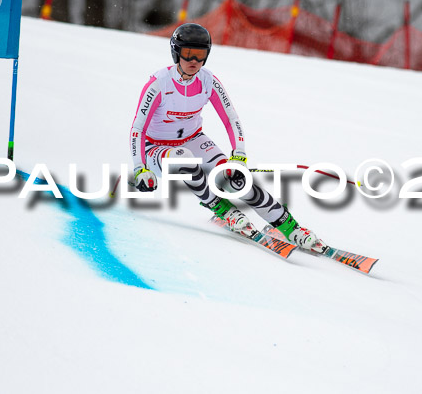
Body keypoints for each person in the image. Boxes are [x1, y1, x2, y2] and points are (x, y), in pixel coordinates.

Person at [129, 23, 324, 252]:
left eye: (201, 55)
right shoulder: (159, 83)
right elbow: (137, 129)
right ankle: (224, 210)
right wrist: (140, 168)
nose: (194, 61)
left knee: (235, 179)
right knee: (184, 158)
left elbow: (231, 118)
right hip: (156, 148)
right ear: (176, 52)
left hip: (193, 138)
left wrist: (238, 154)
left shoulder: (208, 80)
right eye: (188, 53)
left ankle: (290, 227)